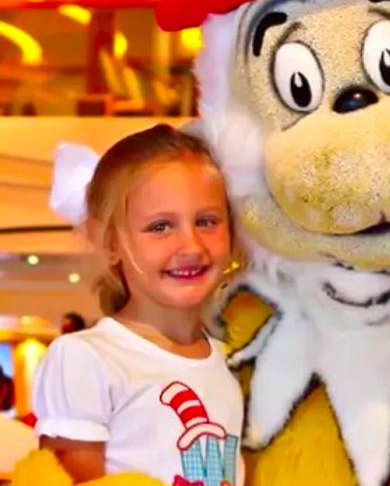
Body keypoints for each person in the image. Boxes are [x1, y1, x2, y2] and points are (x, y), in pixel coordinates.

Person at [32, 124, 244, 485]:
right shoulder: (86, 359)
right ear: (108, 241)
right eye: (161, 226)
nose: (191, 245)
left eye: (206, 221)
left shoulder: (233, 360)